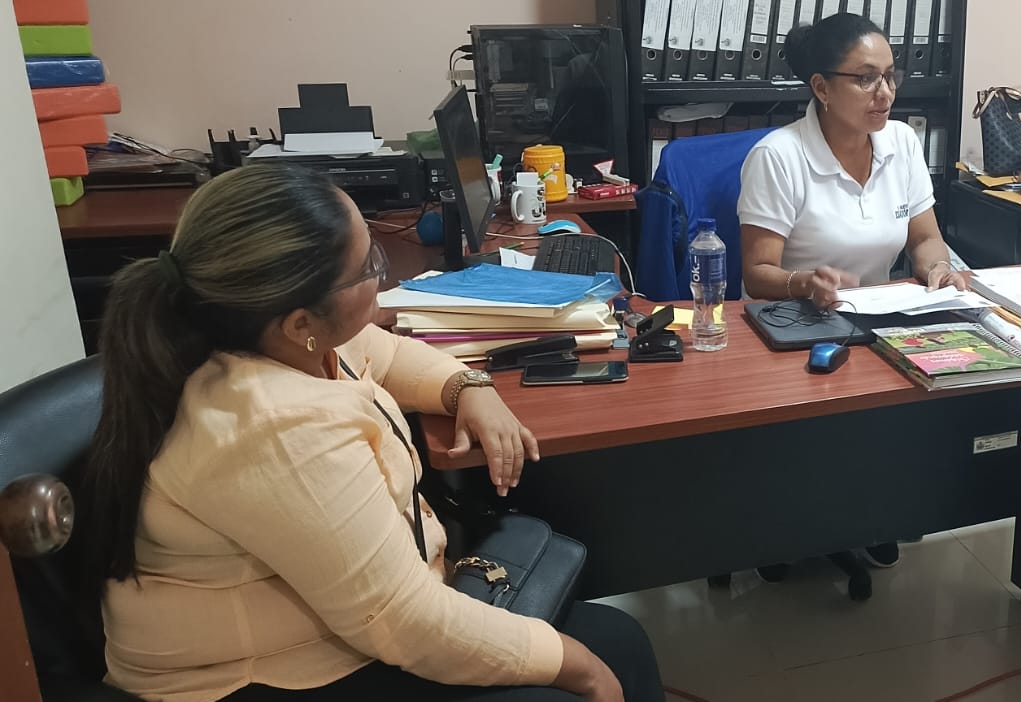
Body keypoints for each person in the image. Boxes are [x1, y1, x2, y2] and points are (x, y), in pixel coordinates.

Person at [73, 165, 665, 702]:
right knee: (588, 670)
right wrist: (580, 670)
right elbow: (405, 621)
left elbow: (383, 352)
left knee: (620, 640)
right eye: (368, 268)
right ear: (300, 322)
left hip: (347, 624)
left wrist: (469, 388)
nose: (381, 277)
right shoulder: (274, 425)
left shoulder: (271, 337)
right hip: (259, 674)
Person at [737, 13, 965, 572]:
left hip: (876, 320)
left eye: (890, 76)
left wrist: (939, 269)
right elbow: (757, 274)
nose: (884, 92)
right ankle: (809, 520)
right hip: (793, 330)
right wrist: (803, 283)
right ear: (821, 87)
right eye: (865, 78)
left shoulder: (902, 142)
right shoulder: (779, 156)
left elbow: (926, 238)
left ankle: (868, 511)